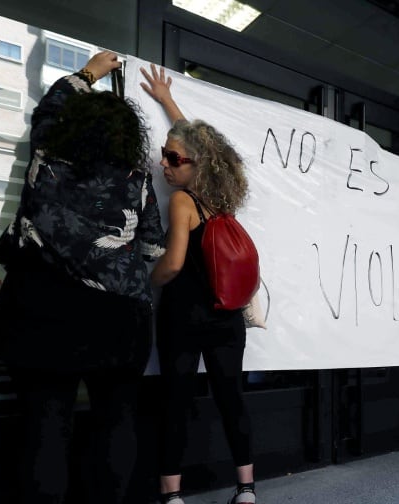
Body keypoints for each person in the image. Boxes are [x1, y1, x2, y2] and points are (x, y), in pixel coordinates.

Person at [0, 51, 165, 503]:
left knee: (45, 423)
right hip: (120, 314)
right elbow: (152, 248)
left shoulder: (48, 152)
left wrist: (89, 73)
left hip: (46, 304)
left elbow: (49, 108)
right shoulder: (136, 178)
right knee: (116, 418)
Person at [139, 64, 257, 504]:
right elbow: (196, 143)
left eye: (173, 159)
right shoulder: (221, 202)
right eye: (163, 155)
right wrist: (169, 102)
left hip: (183, 319)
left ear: (194, 167)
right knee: (232, 400)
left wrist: (145, 282)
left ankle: (172, 496)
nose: (165, 164)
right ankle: (246, 489)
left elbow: (171, 265)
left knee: (174, 403)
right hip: (228, 319)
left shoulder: (183, 201)